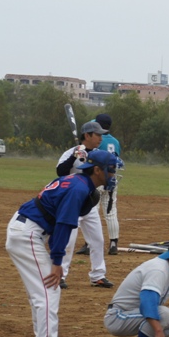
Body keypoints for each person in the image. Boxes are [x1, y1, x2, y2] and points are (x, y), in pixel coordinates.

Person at [5, 150, 118, 337]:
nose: (113, 174)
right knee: (49, 291)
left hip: (26, 231)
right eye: (111, 170)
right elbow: (64, 227)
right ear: (97, 170)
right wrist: (57, 263)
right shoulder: (78, 189)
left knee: (43, 292)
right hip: (27, 234)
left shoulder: (76, 181)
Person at [57, 121, 113, 289]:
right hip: (71, 203)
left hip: (89, 203)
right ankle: (59, 275)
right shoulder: (71, 152)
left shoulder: (99, 154)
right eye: (98, 135)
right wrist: (75, 156)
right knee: (68, 241)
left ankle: (98, 276)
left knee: (97, 240)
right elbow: (60, 173)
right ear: (87, 136)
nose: (101, 138)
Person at [96, 113, 123, 255]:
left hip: (97, 179)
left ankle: (90, 245)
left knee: (92, 212)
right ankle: (113, 244)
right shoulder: (115, 142)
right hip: (112, 178)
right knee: (111, 212)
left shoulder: (96, 139)